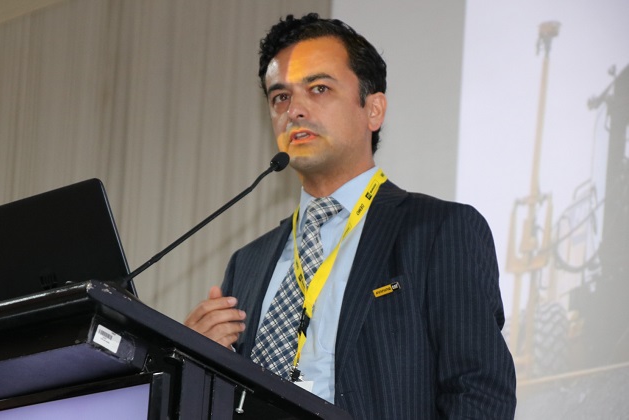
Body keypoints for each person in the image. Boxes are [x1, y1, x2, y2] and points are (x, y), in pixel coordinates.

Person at [185, 13, 516, 419]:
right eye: (280, 97)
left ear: (373, 110)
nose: (294, 110)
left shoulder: (439, 231)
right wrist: (198, 363)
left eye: (319, 88)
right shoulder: (247, 264)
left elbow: (480, 393)